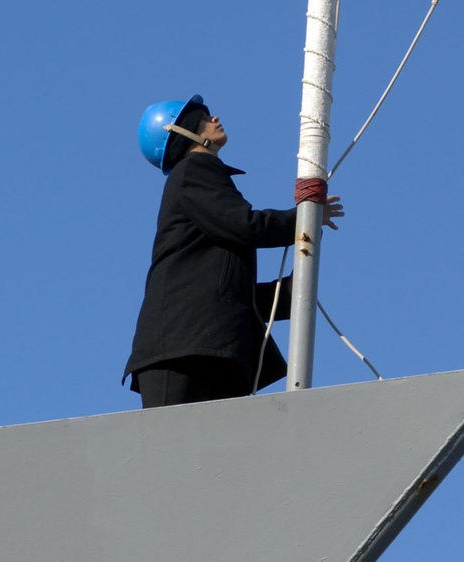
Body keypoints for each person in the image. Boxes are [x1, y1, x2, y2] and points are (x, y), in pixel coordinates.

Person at [124, 94, 343, 408]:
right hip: (186, 351)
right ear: (181, 132)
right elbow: (245, 225)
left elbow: (221, 291)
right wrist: (303, 219)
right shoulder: (194, 170)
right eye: (201, 117)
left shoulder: (196, 179)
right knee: (179, 452)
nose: (213, 119)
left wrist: (287, 294)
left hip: (200, 348)